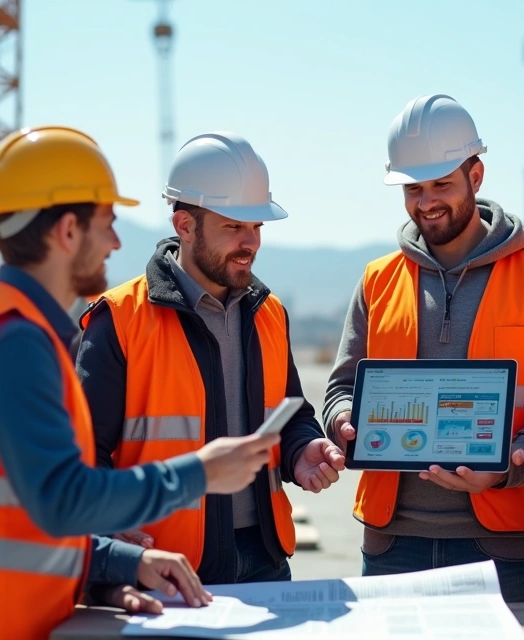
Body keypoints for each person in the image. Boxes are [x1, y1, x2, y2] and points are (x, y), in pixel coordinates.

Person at [0, 126, 281, 640]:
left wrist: (117, 564)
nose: (116, 241)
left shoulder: (1, 324)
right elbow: (64, 499)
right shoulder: (13, 342)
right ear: (67, 232)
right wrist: (199, 473)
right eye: (106, 223)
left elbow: (23, 513)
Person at [323, 94, 524, 607]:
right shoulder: (378, 280)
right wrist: (347, 423)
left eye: (441, 184)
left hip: (503, 551)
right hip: (391, 547)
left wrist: (510, 463)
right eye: (413, 188)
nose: (426, 202)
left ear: (477, 175)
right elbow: (341, 388)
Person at [75, 131, 345, 586]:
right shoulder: (120, 319)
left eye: (257, 226)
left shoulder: (269, 314)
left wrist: (302, 451)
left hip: (265, 560)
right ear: (185, 224)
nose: (251, 243)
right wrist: (109, 537)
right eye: (233, 227)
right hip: (163, 565)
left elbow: (291, 413)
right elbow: (83, 455)